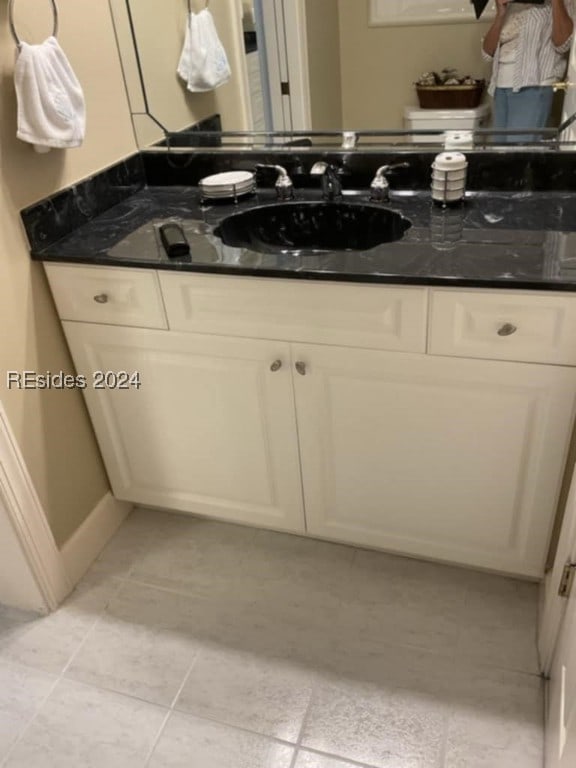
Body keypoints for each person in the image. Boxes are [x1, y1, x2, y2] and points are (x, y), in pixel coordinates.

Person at [482, 0, 574, 141]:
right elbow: (487, 54)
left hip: (533, 84)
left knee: (520, 154)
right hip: (500, 86)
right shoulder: (511, 5)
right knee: (499, 153)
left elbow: (563, 44)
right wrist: (500, 14)